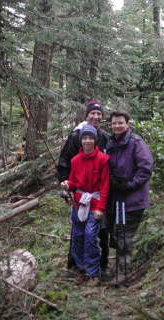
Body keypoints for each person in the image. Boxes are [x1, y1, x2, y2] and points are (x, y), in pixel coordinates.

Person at [56, 100, 111, 273]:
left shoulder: (104, 137)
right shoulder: (76, 135)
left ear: (102, 117)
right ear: (87, 115)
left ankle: (99, 265)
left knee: (99, 230)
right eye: (92, 113)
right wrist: (66, 188)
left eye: (98, 113)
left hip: (98, 194)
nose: (95, 116)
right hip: (78, 193)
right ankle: (76, 265)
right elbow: (65, 162)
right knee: (79, 231)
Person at [105, 110, 153, 286]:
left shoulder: (135, 142)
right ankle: (119, 267)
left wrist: (129, 184)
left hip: (133, 199)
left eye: (120, 123)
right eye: (114, 123)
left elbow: (145, 168)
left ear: (127, 124)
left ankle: (124, 274)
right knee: (118, 233)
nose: (117, 126)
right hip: (117, 198)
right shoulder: (112, 143)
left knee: (125, 235)